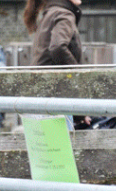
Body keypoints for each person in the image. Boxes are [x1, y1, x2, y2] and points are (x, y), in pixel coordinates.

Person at [24, 0, 90, 129]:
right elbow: (57, 47)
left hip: (42, 99)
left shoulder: (50, 14)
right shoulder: (64, 14)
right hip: (56, 102)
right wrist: (78, 73)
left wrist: (79, 115)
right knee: (62, 148)